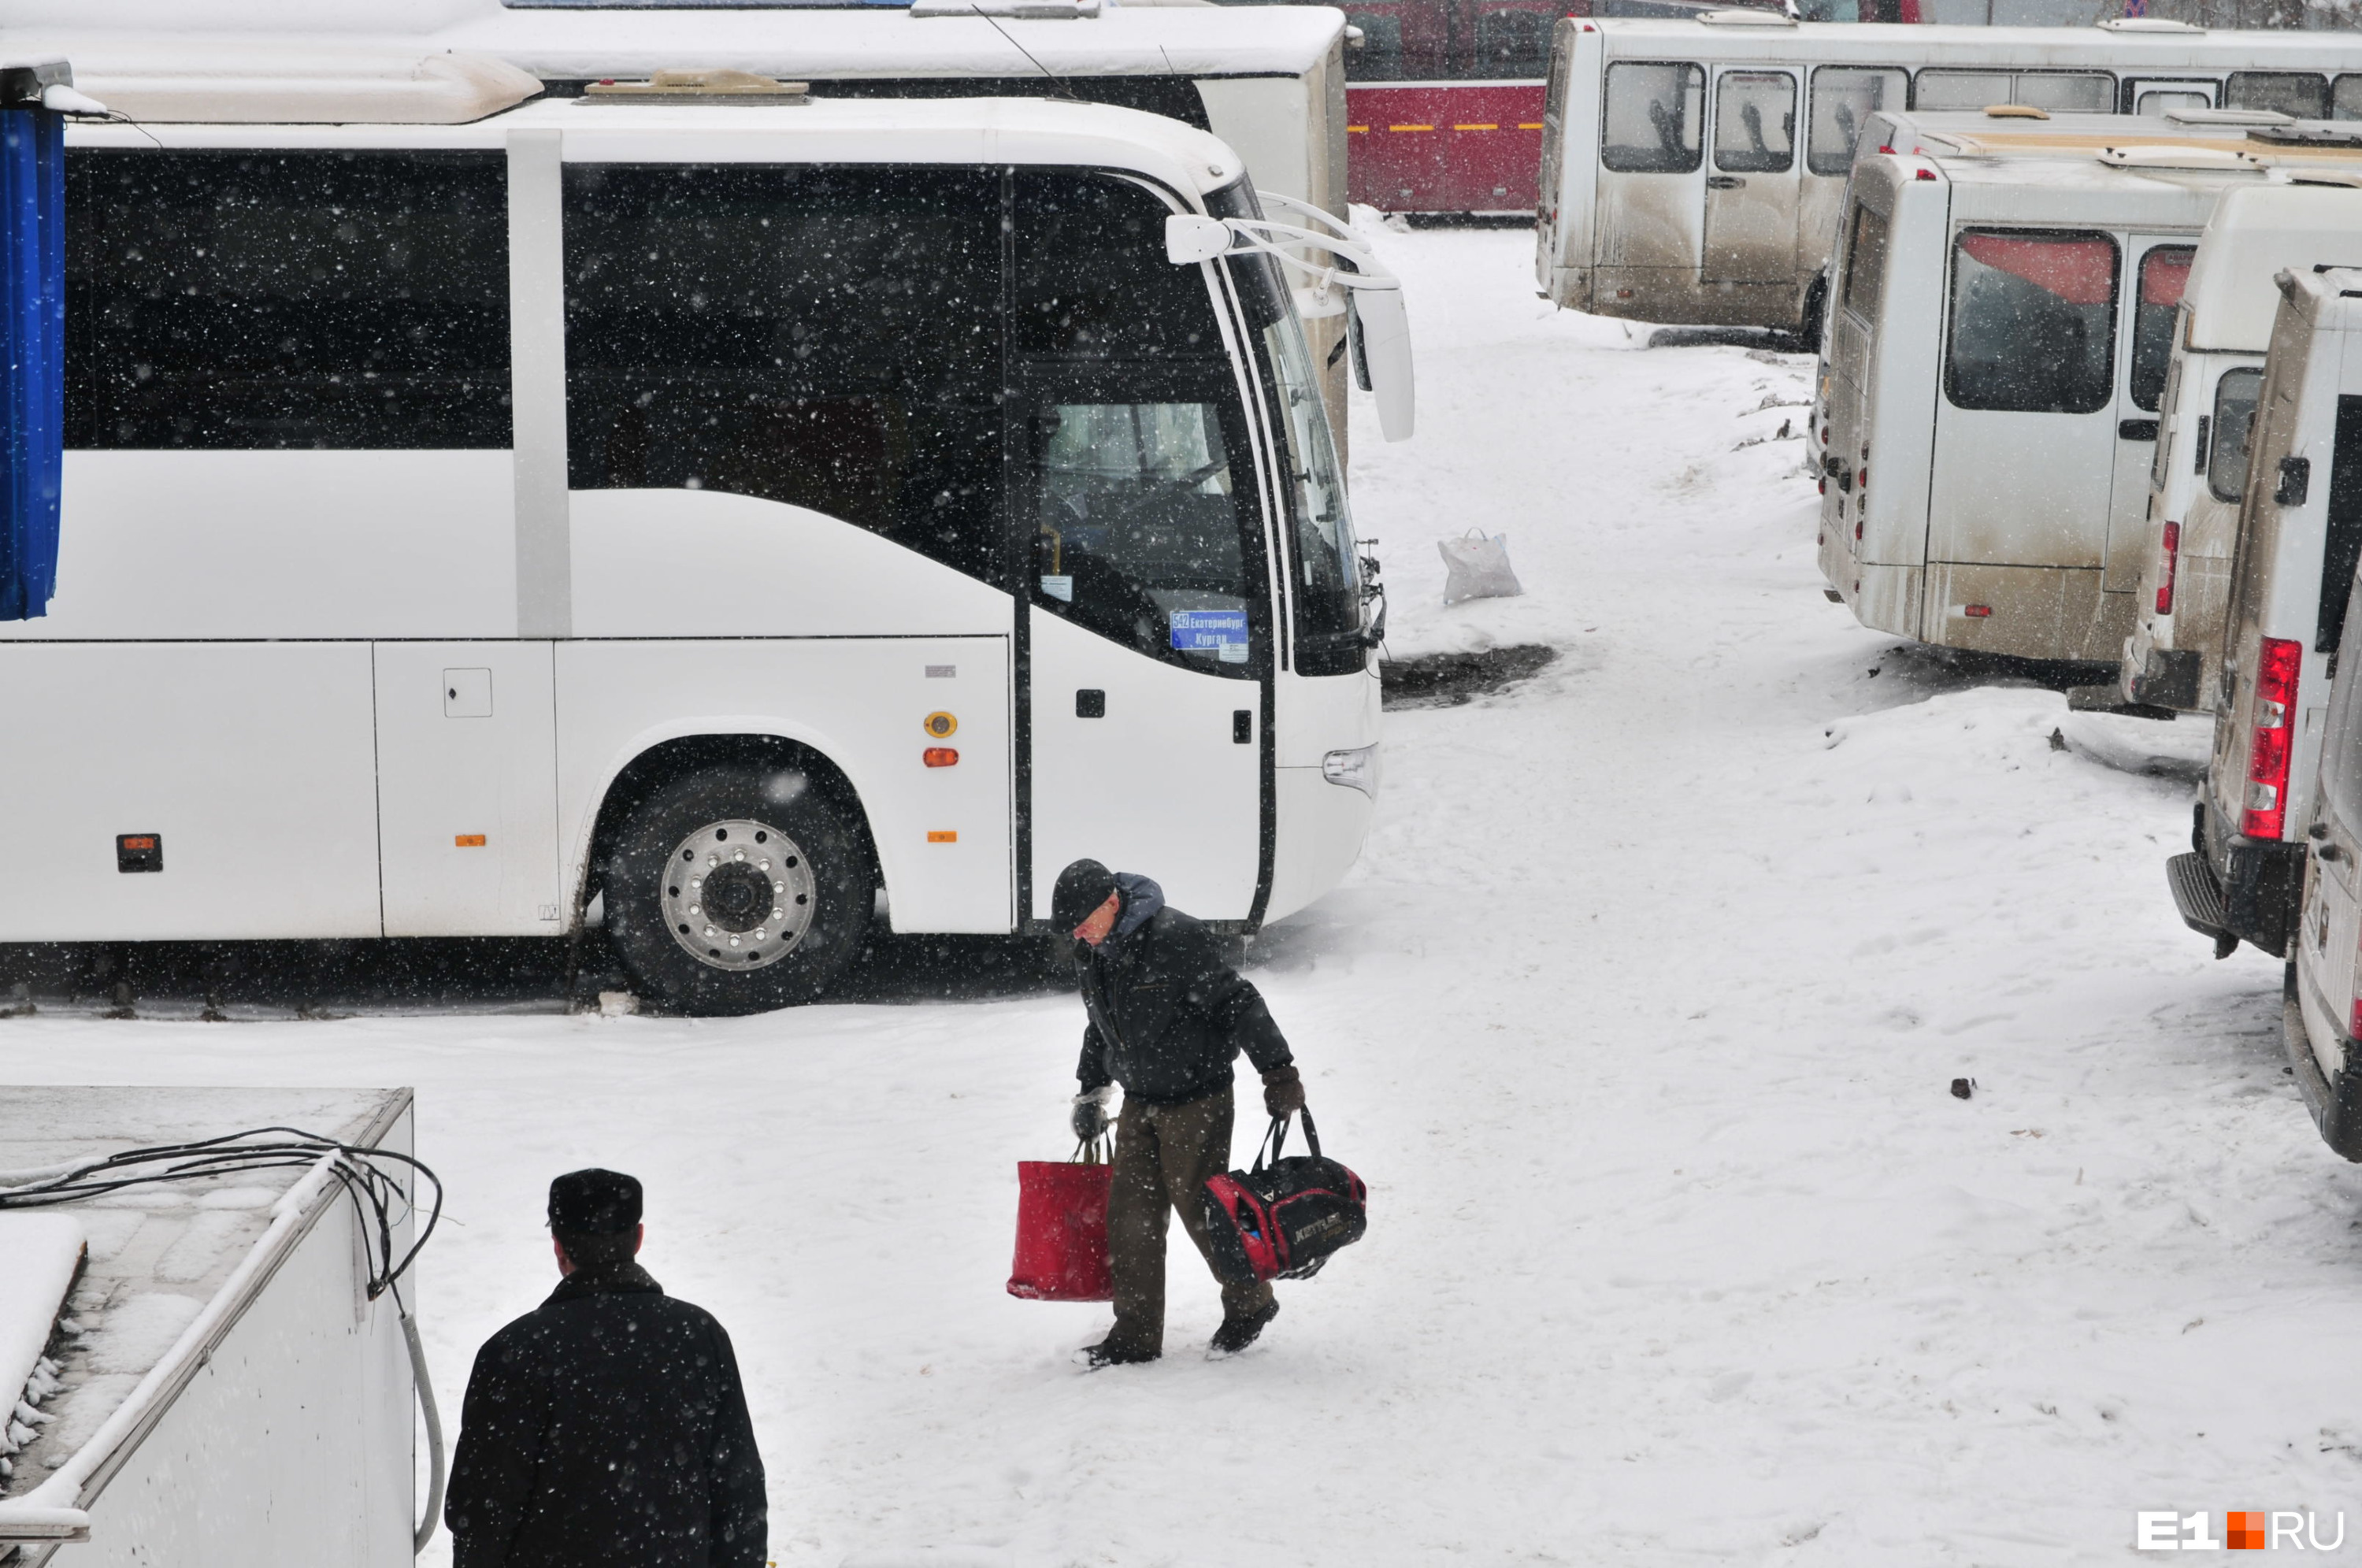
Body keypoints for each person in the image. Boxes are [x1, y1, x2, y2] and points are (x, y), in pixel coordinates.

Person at [1051, 857, 1307, 1367]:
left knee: (1204, 1212)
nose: (1078, 936)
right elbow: (1098, 1023)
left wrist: (1278, 1071)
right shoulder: (1095, 951)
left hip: (1197, 1097)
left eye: (1083, 923)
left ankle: (1250, 1303)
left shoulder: (1174, 937)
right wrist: (1090, 1092)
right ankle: (1136, 1334)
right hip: (1140, 1098)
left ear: (1110, 902)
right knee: (1130, 1218)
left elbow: (1238, 1002)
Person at [444, 1169, 767, 1568]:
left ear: (558, 1246)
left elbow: (483, 1511)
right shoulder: (699, 1335)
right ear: (639, 1237)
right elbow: (739, 1491)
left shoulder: (515, 1351)